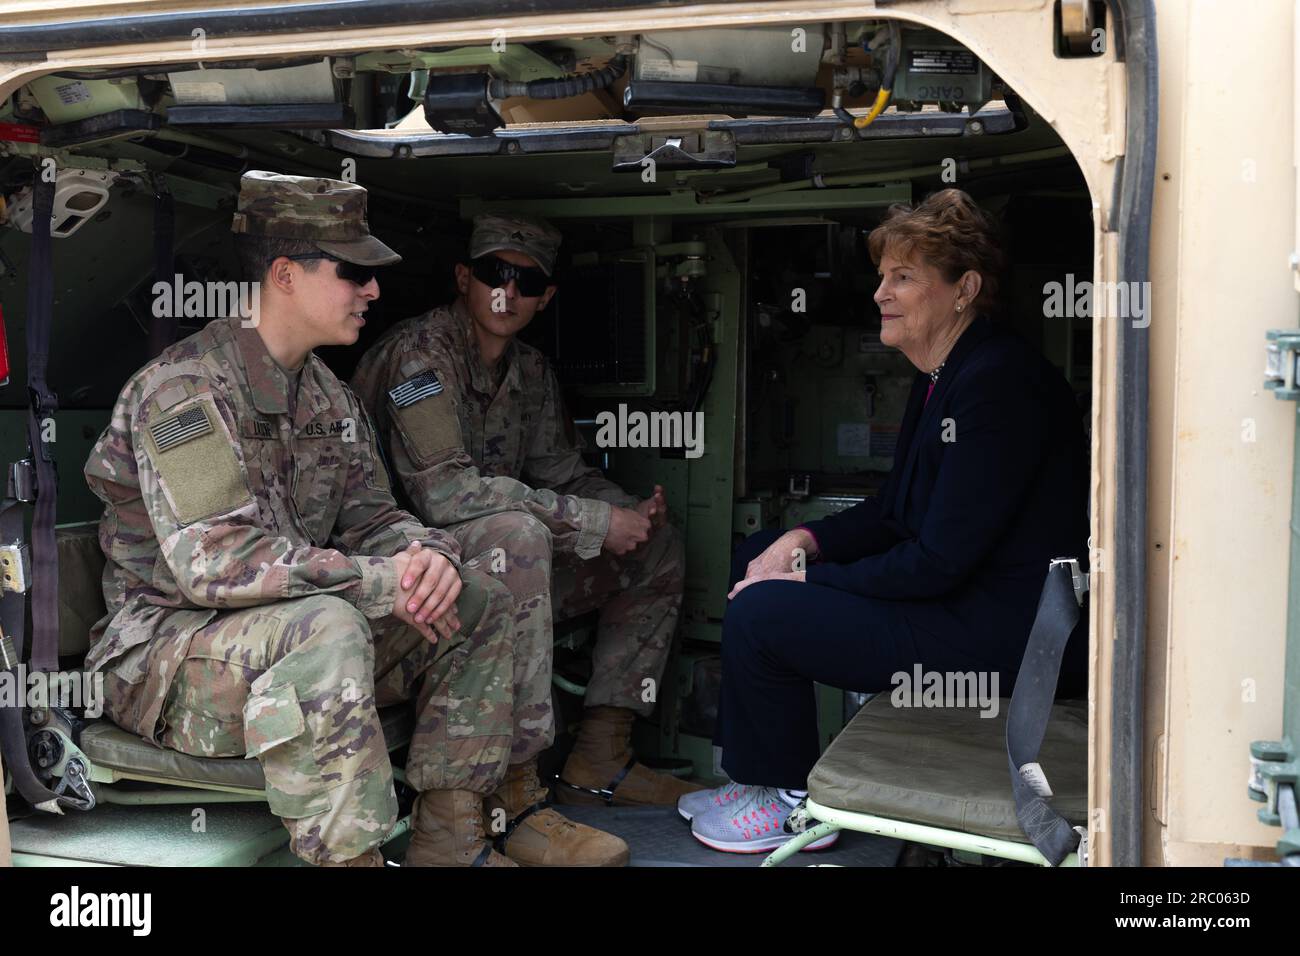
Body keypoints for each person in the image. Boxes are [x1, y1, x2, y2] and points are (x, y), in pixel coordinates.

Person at [84, 171, 626, 867]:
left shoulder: (325, 395)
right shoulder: (183, 393)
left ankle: (452, 836)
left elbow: (375, 517)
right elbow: (214, 561)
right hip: (170, 658)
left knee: (476, 593)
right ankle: (352, 859)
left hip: (280, 640)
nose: (372, 291)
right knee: (331, 623)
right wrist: (381, 582)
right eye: (353, 273)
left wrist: (426, 559)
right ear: (285, 274)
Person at [679, 188, 1089, 854]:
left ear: (964, 289)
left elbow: (937, 561)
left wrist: (809, 586)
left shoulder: (999, 383)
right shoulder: (943, 376)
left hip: (1004, 635)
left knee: (764, 612)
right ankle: (753, 780)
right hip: (962, 605)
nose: (880, 294)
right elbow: (896, 512)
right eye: (881, 277)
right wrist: (799, 543)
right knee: (756, 555)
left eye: (902, 277)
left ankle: (788, 801)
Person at [351, 213, 700, 814]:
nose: (506, 292)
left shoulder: (531, 371)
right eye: (493, 274)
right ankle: (513, 788)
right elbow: (445, 495)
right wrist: (592, 523)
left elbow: (561, 471)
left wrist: (625, 513)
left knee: (656, 549)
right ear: (463, 277)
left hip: (497, 569)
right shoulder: (420, 358)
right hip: (415, 578)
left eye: (526, 282)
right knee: (520, 536)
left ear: (546, 298)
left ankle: (600, 756)